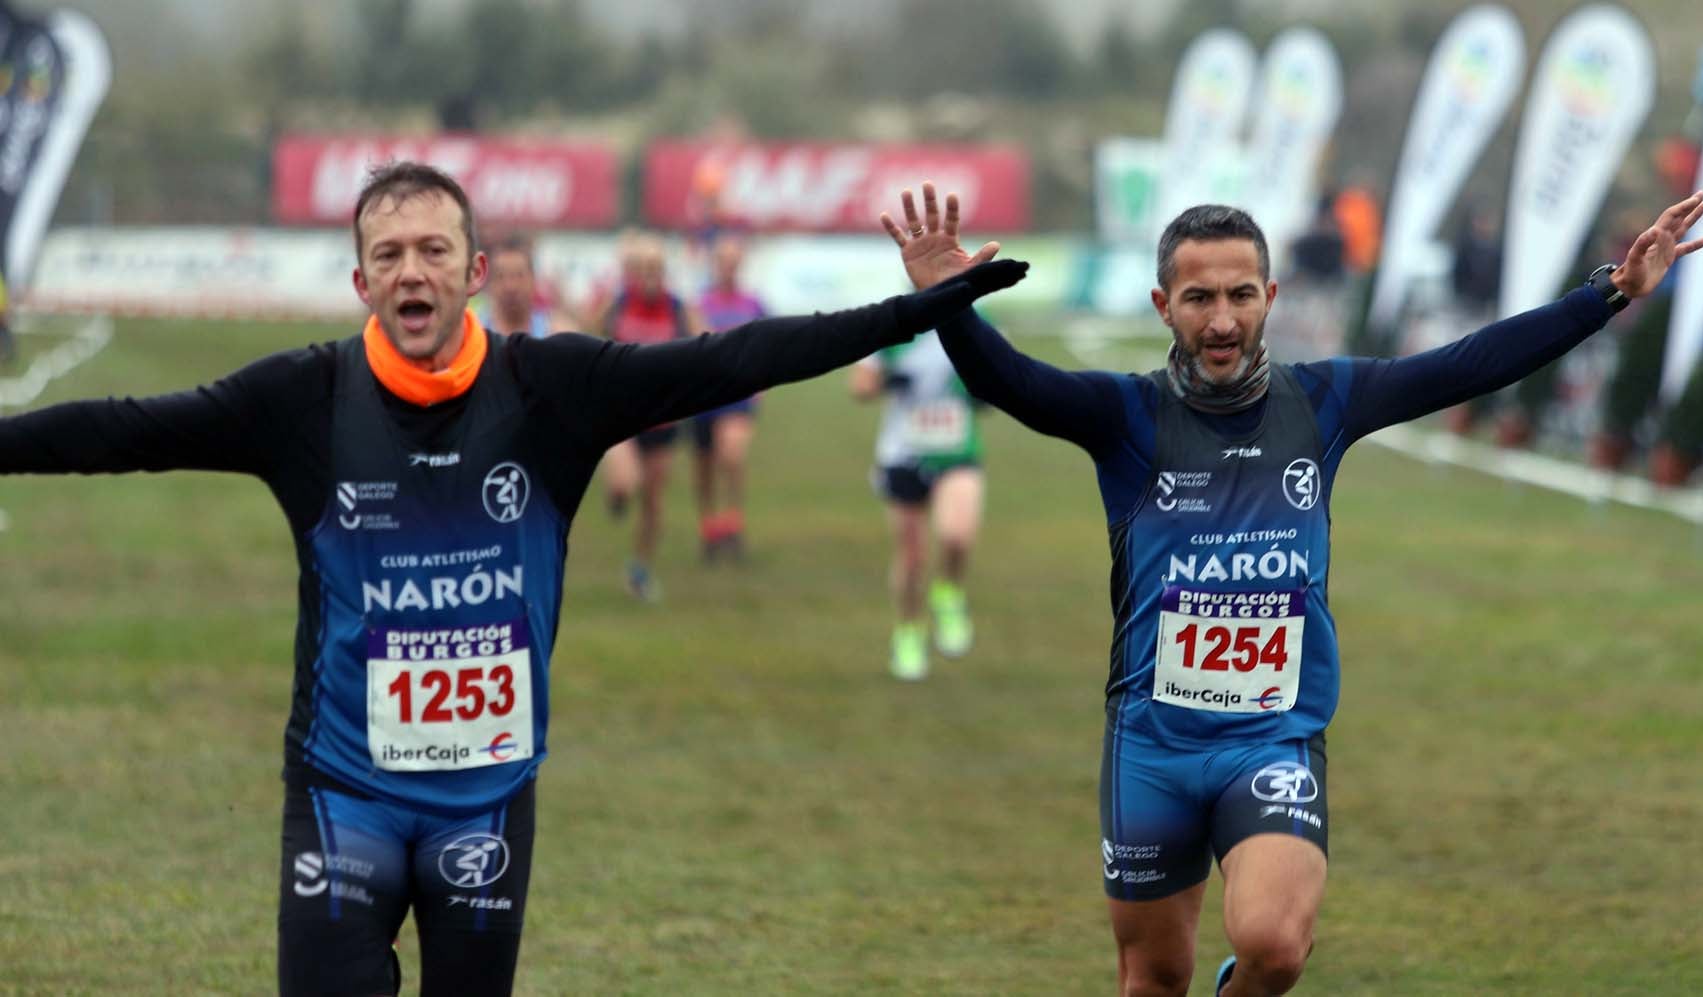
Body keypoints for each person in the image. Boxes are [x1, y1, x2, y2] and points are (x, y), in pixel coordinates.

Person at [0, 162, 1026, 996]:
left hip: (485, 804)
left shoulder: (553, 390)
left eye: (434, 250)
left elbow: (737, 358)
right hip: (341, 794)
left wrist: (911, 309)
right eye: (389, 253)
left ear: (475, 268)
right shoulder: (301, 399)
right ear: (361, 282)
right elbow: (123, 429)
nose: (413, 270)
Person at [880, 181, 1703, 996]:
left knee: (1274, 948)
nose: (1224, 319)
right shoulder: (1123, 415)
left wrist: (1610, 294)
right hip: (1153, 748)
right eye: (1199, 298)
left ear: (1270, 295)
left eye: (1241, 294)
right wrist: (950, 302)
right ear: (1163, 304)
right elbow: (1011, 382)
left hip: (1272, 739)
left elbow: (1468, 364)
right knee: (1153, 978)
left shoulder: (1323, 403)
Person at [848, 319, 984, 680]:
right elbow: (859, 385)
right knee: (912, 558)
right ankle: (909, 631)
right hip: (903, 454)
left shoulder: (976, 323)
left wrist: (984, 392)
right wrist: (886, 381)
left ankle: (948, 591)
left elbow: (1004, 379)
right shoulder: (896, 325)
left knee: (957, 535)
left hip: (957, 450)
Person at [592, 233, 704, 600]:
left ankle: (640, 569)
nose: (650, 275)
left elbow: (705, 345)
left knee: (654, 501)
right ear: (633, 272)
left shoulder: (677, 308)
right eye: (643, 268)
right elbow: (587, 336)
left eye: (656, 268)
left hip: (663, 419)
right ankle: (618, 494)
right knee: (626, 483)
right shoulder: (618, 303)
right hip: (621, 415)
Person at [690, 233, 766, 561]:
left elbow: (769, 345)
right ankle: (710, 525)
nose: (729, 268)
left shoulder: (753, 304)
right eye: (723, 261)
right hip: (703, 396)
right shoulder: (699, 304)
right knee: (705, 465)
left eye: (734, 262)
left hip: (739, 396)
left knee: (731, 455)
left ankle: (733, 521)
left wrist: (762, 383)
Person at [481, 233, 578, 339]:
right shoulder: (474, 334)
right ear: (489, 283)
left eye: (519, 275)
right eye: (501, 276)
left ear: (533, 280)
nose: (510, 286)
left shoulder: (557, 334)